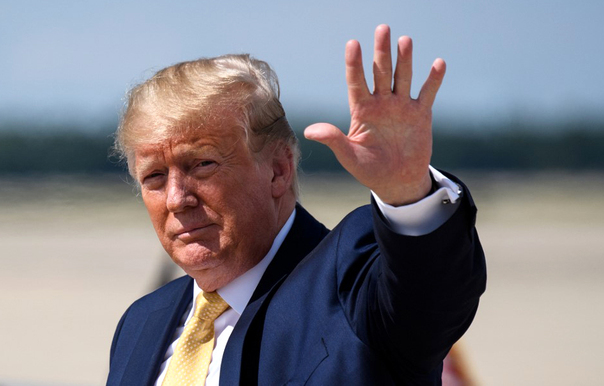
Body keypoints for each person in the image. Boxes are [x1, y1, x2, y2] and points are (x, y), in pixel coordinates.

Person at [106, 25, 486, 385]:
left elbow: (428, 297)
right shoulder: (142, 323)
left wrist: (408, 193)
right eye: (154, 176)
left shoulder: (351, 283)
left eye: (203, 164)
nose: (176, 198)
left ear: (278, 170)